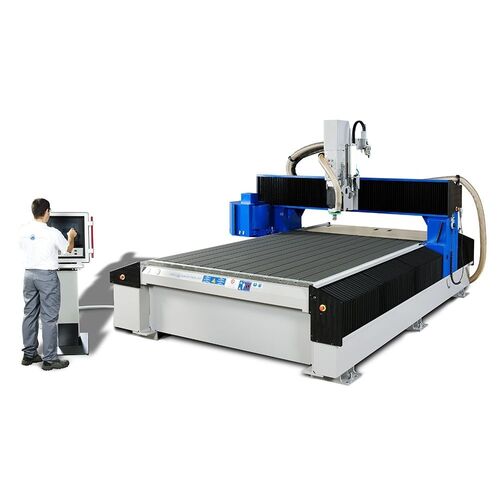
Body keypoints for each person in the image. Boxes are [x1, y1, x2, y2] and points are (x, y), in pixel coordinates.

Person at [19, 199, 77, 370]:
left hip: (29, 275)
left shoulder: (23, 230)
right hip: (46, 277)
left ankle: (29, 355)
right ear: (46, 212)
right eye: (49, 211)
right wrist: (71, 236)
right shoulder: (53, 232)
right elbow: (68, 250)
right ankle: (50, 360)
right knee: (49, 318)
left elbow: (25, 248)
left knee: (29, 314)